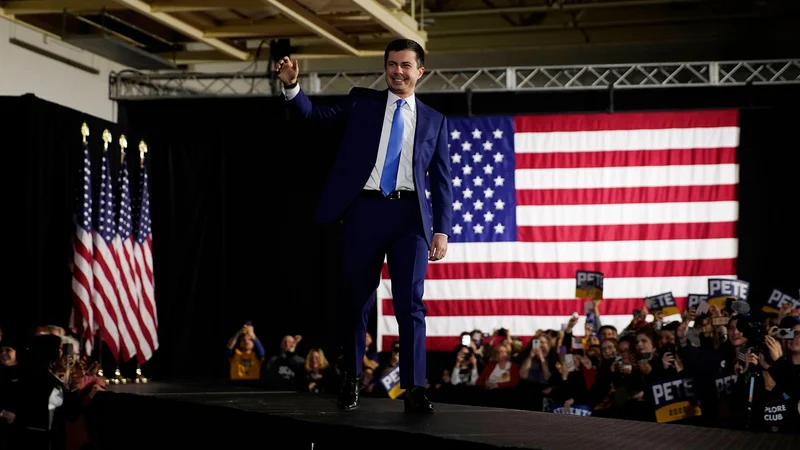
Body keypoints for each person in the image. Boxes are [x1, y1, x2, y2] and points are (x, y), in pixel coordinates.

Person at [274, 38, 453, 413]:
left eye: (405, 65)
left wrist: (442, 228)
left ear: (420, 71)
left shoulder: (436, 120)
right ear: (385, 67)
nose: (397, 71)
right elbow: (316, 117)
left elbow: (442, 180)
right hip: (364, 213)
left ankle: (415, 388)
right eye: (391, 64)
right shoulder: (362, 102)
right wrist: (293, 87)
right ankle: (352, 380)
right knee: (356, 302)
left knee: (410, 305)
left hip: (410, 220)